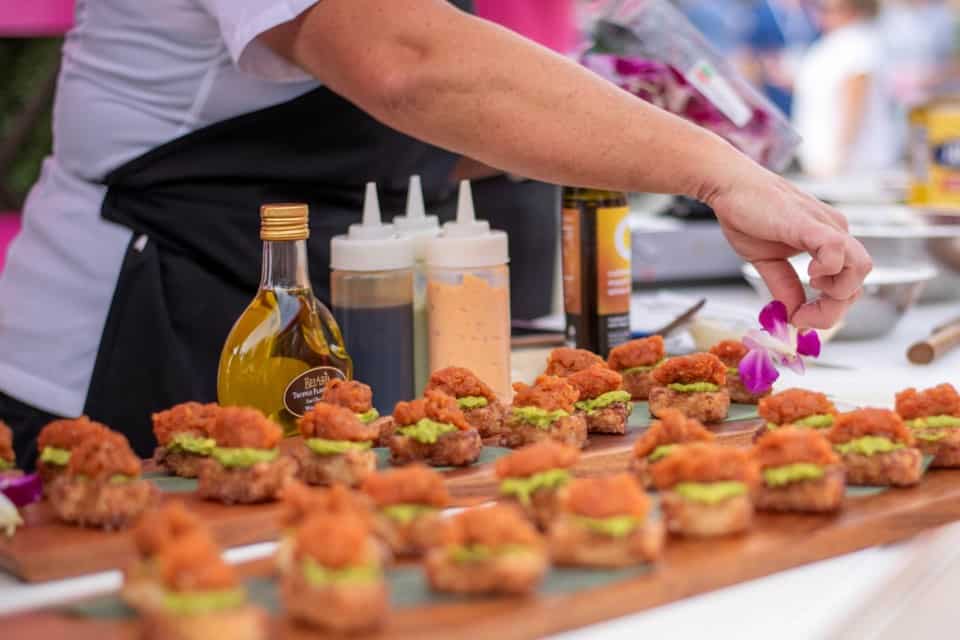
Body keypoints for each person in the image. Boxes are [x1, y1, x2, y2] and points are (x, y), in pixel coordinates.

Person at [0, 0, 871, 464]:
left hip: (312, 359)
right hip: (124, 356)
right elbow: (404, 61)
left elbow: (381, 136)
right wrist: (716, 168)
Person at [792, 0, 898, 176]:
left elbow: (855, 106)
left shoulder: (859, 43)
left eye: (828, 9)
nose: (821, 14)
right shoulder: (832, 42)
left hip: (853, 168)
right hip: (823, 163)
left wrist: (838, 158)